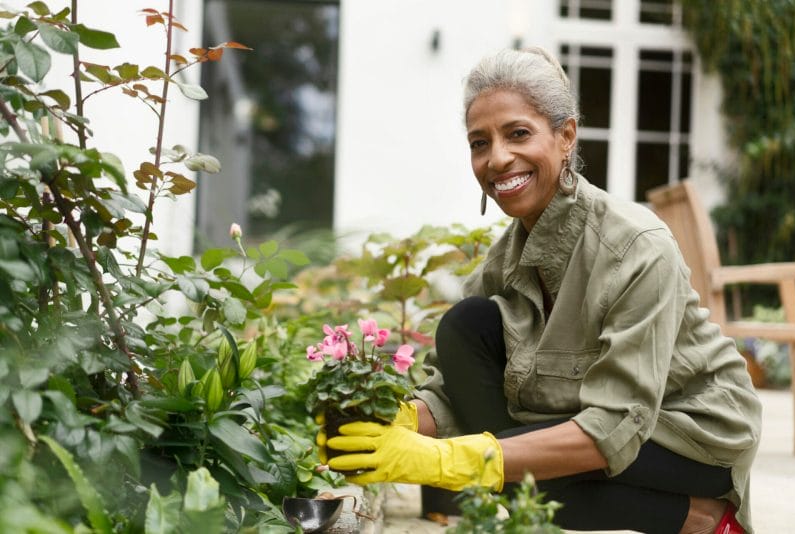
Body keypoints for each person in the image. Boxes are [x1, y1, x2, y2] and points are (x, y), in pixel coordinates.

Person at [320, 48, 762, 534]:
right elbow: (452, 390)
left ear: (566, 135)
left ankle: (709, 521)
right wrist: (393, 423)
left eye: (518, 134)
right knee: (467, 325)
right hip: (596, 418)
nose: (497, 158)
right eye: (479, 142)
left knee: (536, 479)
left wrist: (449, 459)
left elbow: (615, 426)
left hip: (689, 429)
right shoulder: (506, 257)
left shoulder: (635, 246)